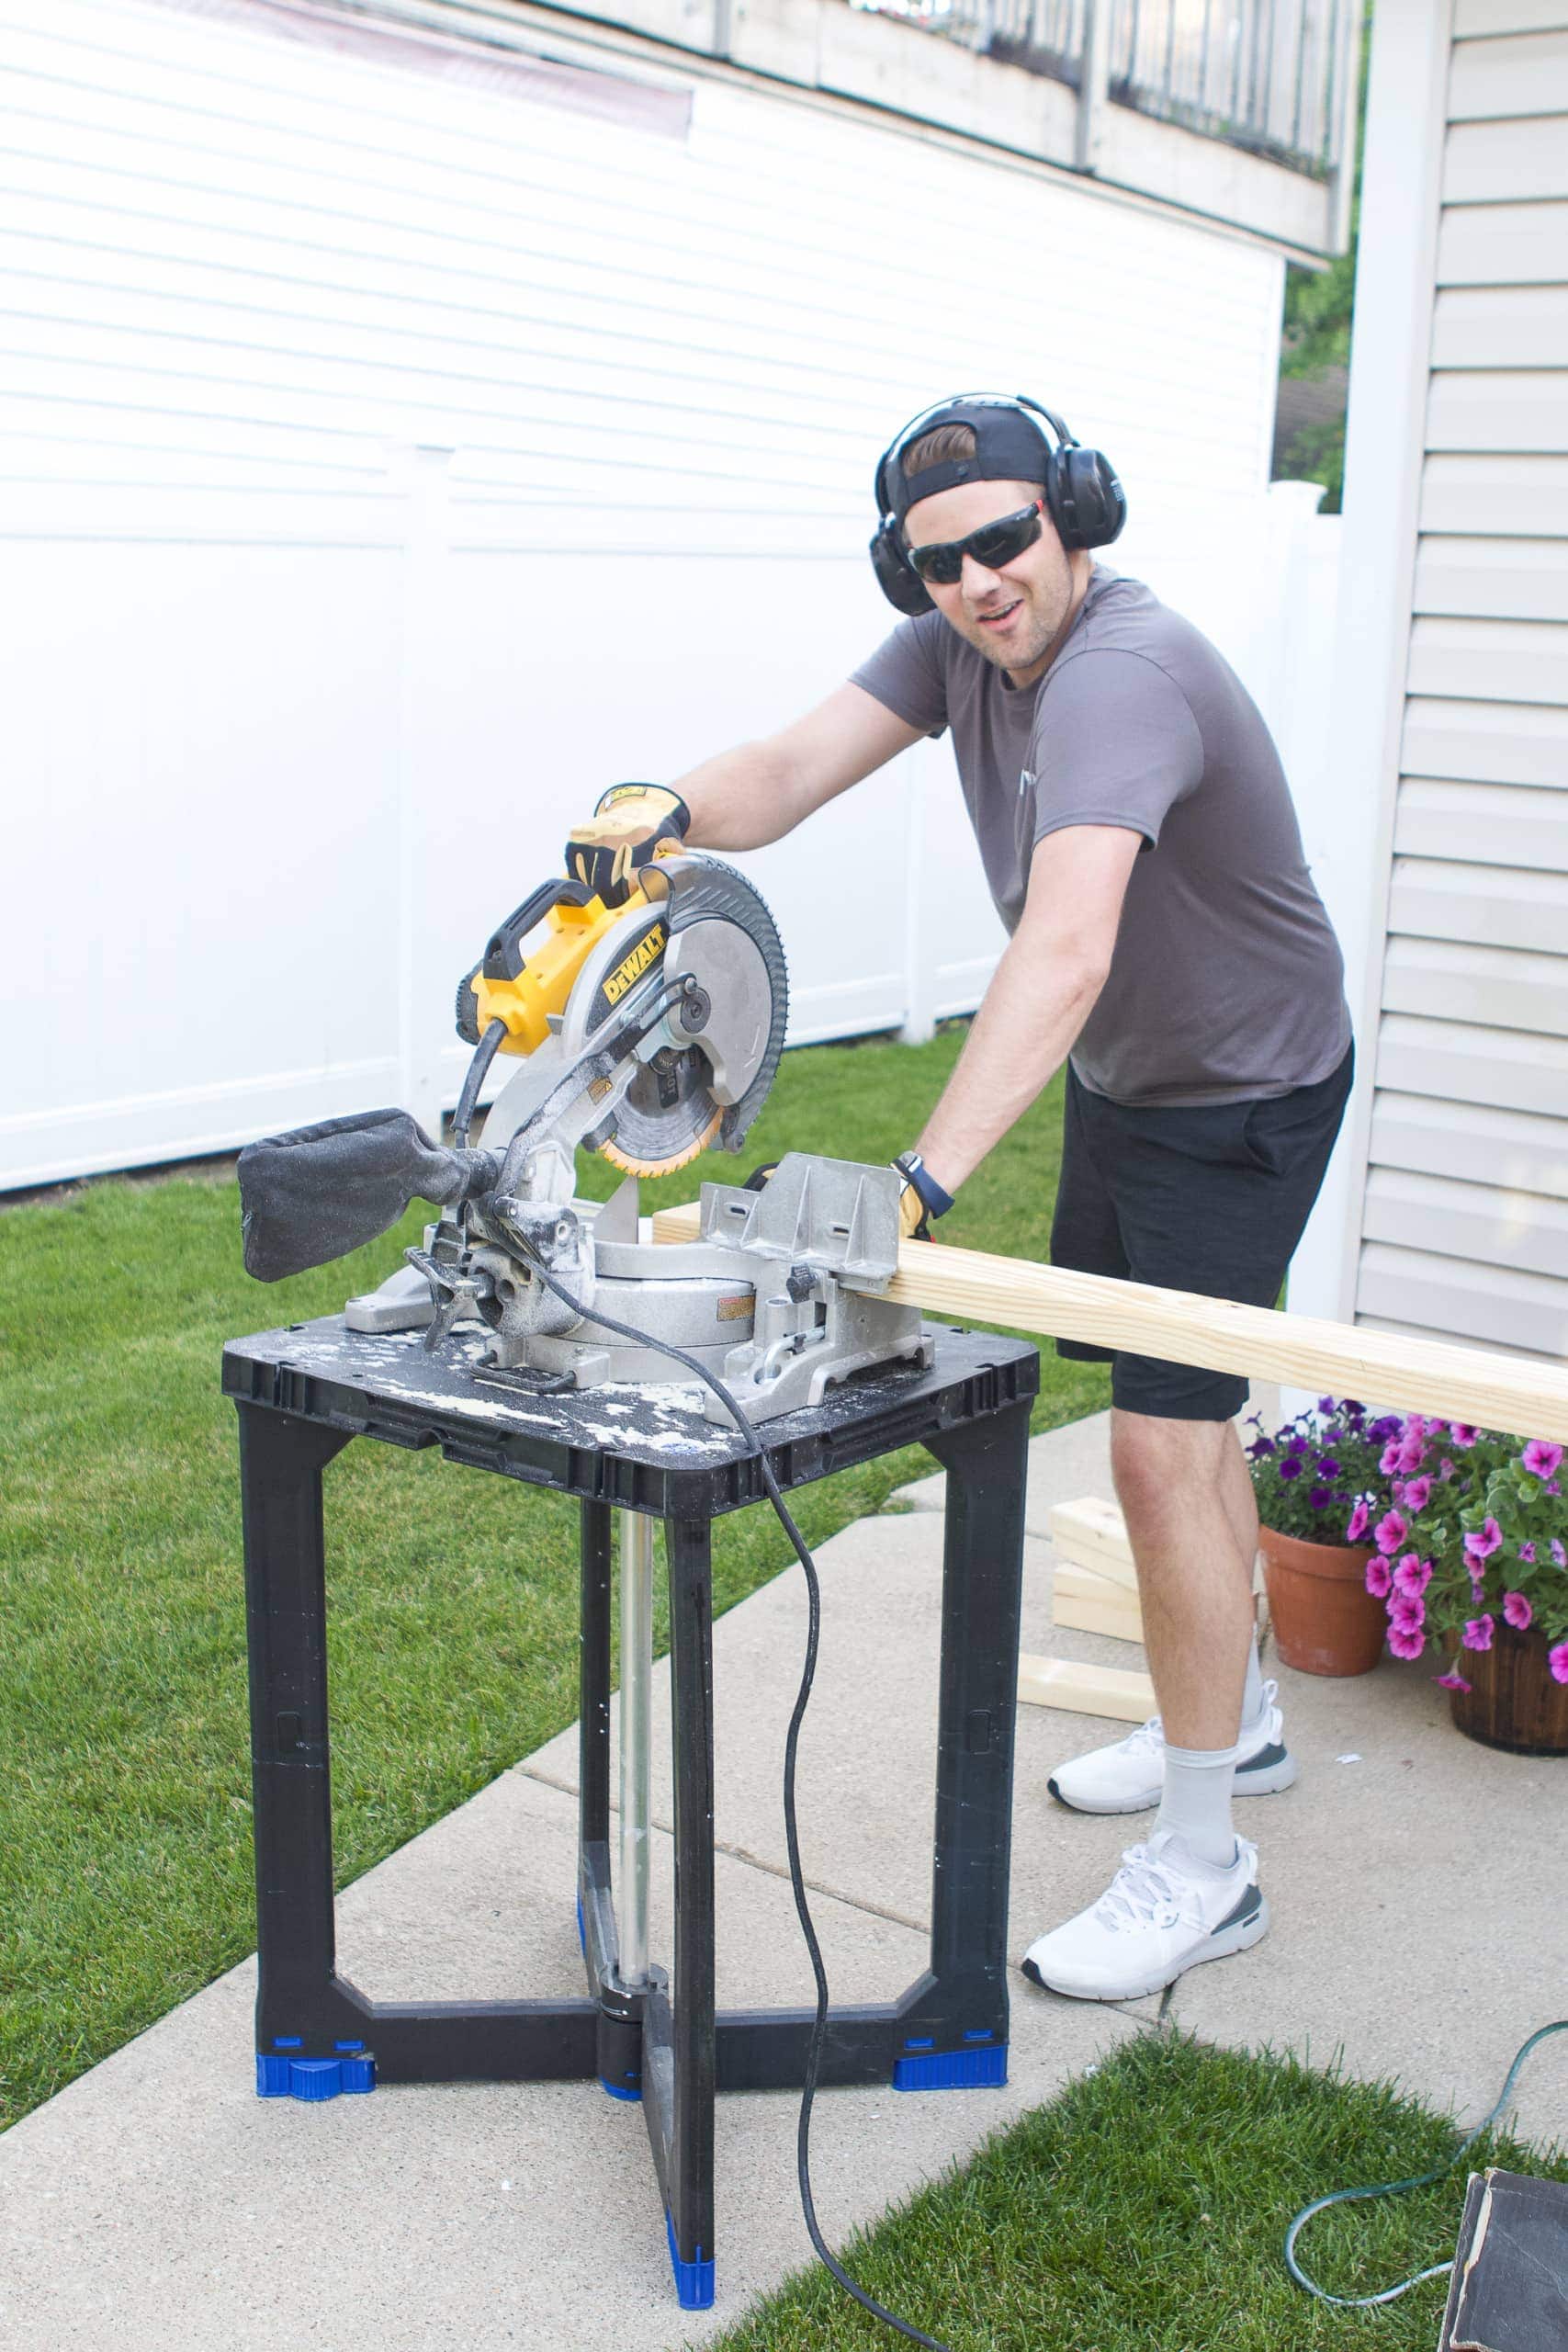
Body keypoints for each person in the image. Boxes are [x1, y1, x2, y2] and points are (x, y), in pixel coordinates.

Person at [562, 392, 1353, 2003]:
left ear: (1073, 517)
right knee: (1164, 1436)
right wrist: (671, 818)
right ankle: (1241, 1720)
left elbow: (1062, 950)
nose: (982, 580)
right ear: (908, 575)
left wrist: (921, 1179)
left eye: (1006, 538)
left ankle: (1208, 1865)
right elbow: (788, 767)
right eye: (939, 562)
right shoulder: (957, 651)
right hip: (1135, 1078)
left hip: (1244, 1091)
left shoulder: (1121, 675)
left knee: (1161, 1445)